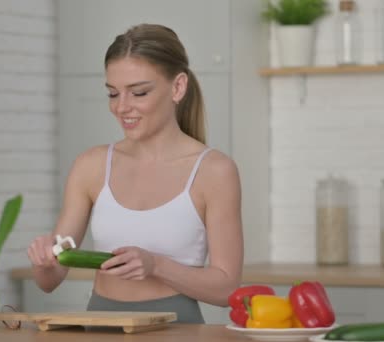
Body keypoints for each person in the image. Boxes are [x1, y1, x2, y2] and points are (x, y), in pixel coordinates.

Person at [27, 23, 243, 323]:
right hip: (100, 324)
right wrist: (44, 262)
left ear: (178, 87)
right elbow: (49, 282)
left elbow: (227, 289)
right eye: (113, 94)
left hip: (178, 329)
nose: (122, 107)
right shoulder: (91, 165)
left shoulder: (214, 171)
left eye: (139, 92)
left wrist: (156, 266)